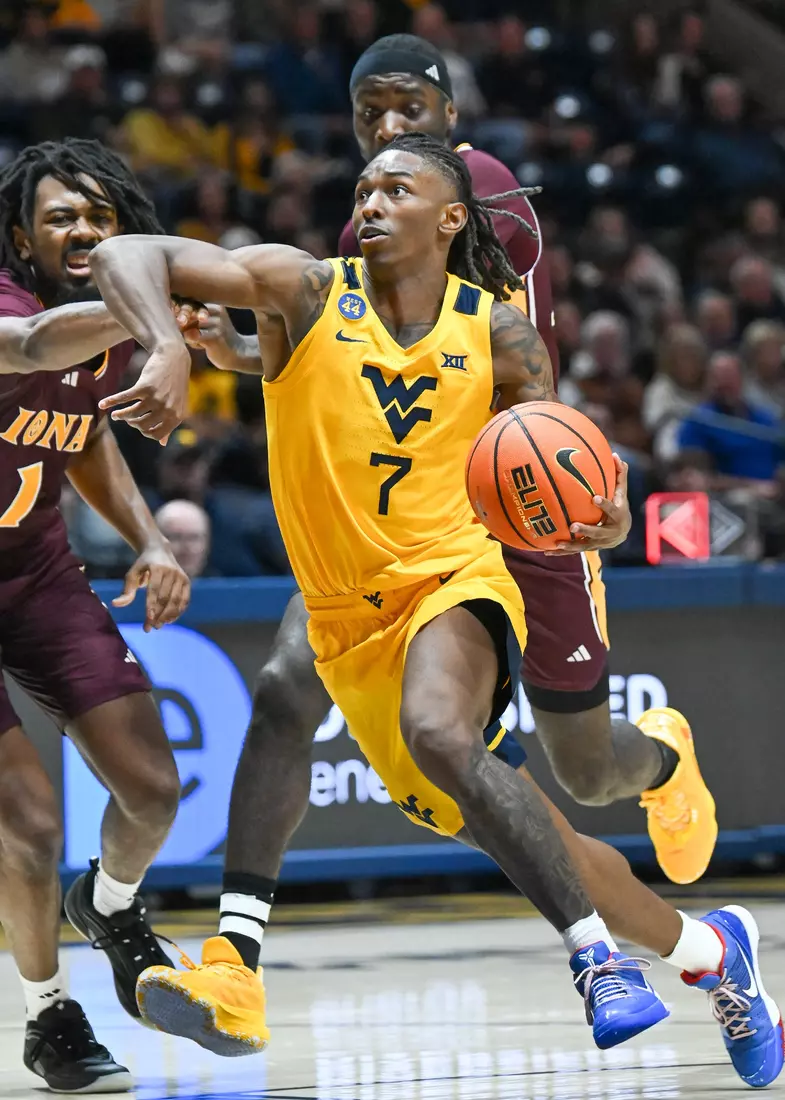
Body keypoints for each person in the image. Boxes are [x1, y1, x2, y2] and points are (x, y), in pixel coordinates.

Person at [91, 134, 782, 1089]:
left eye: (396, 187)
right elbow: (127, 255)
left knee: (386, 716)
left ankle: (587, 962)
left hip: (455, 579)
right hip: (345, 609)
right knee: (546, 834)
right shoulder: (299, 289)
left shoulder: (497, 331)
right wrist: (177, 343)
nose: (369, 199)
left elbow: (552, 452)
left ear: (451, 218)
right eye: (364, 185)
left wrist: (604, 505)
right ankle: (712, 952)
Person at [182, 33, 716, 931]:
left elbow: (466, 360)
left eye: (408, 109)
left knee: (585, 770)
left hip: (525, 493)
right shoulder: (374, 218)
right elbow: (355, 361)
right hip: (431, 512)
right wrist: (242, 350)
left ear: (450, 117)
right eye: (368, 115)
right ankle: (238, 950)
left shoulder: (484, 189)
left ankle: (662, 758)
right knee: (289, 679)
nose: (388, 125)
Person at [0, 138, 190, 1092]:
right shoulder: (13, 311)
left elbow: (82, 435)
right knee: (26, 826)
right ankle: (49, 1019)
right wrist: (157, 329)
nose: (80, 230)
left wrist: (150, 539)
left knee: (153, 789)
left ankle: (109, 904)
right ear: (20, 236)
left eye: (97, 216)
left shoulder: (114, 323)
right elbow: (39, 351)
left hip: (33, 572)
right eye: (58, 217)